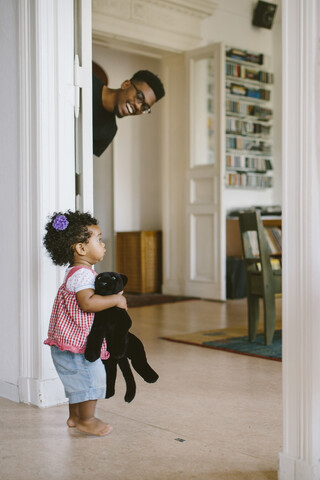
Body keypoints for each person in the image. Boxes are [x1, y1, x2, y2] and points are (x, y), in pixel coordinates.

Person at [43, 210, 127, 436]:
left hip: (67, 341)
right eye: (98, 240)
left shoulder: (76, 271)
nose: (103, 244)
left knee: (77, 382)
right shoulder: (82, 275)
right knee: (91, 378)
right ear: (80, 248)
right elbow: (87, 303)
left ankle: (74, 417)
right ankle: (86, 420)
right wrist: (116, 299)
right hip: (78, 343)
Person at [93, 69, 165, 157]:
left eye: (144, 107)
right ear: (126, 85)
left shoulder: (108, 132)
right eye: (139, 97)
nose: (138, 107)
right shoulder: (88, 81)